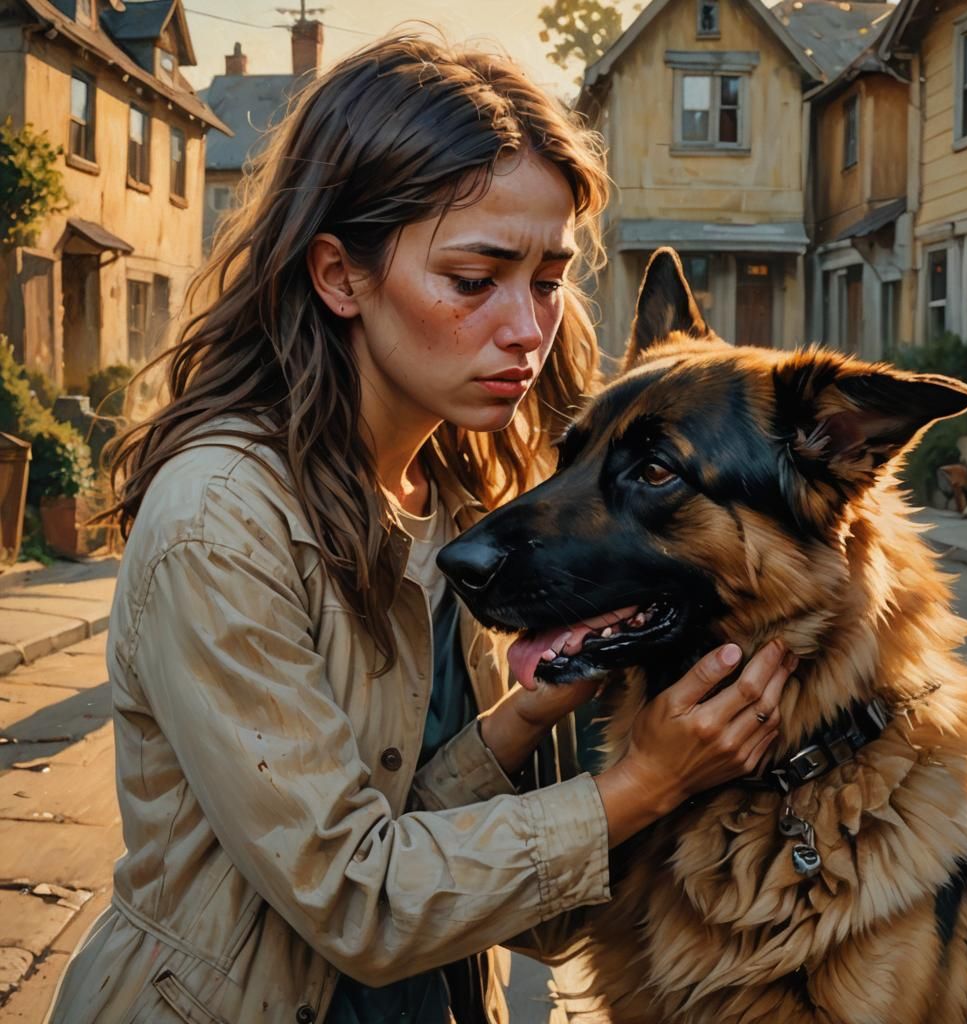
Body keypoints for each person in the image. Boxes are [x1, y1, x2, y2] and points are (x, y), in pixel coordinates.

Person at [46, 34, 790, 1024]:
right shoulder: (220, 520)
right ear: (339, 276)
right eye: (475, 278)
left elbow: (486, 885)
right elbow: (355, 894)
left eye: (546, 276)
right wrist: (642, 785)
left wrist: (523, 718)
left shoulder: (459, 498)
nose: (527, 328)